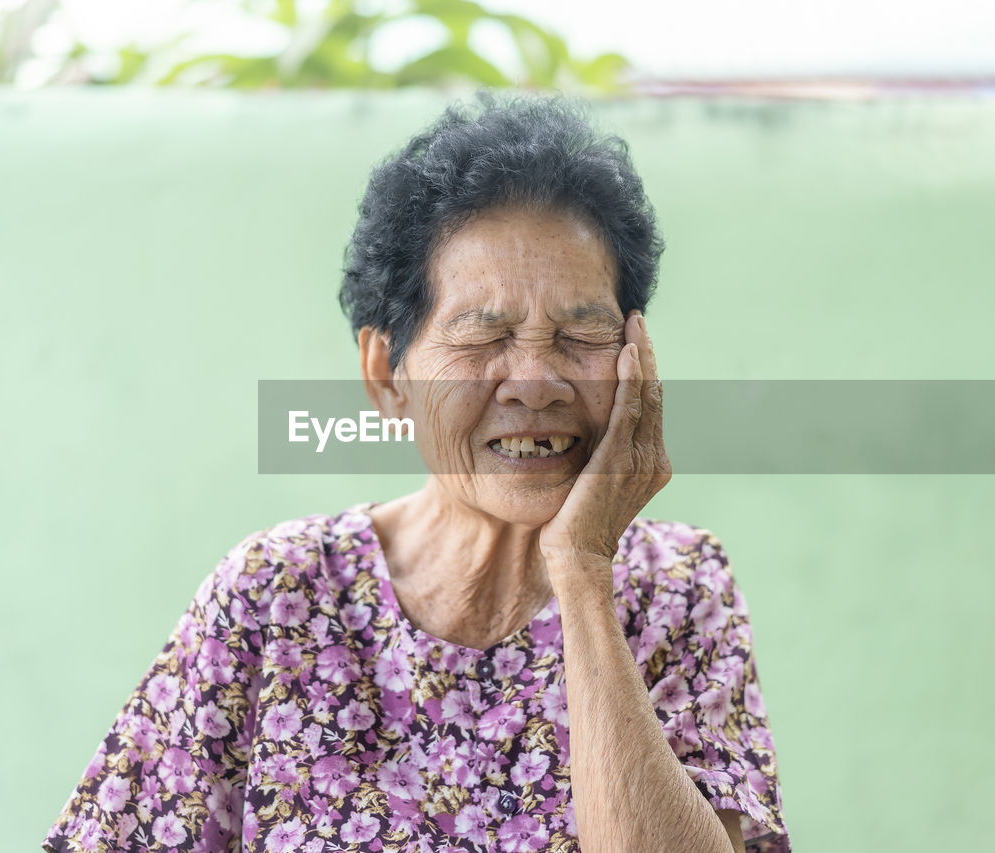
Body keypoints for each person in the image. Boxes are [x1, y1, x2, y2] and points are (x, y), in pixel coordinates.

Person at [43, 93, 790, 853]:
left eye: (580, 333)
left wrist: (582, 570)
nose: (535, 381)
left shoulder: (681, 589)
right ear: (387, 375)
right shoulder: (277, 593)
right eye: (485, 336)